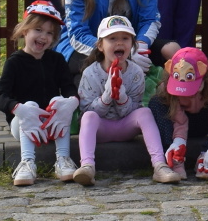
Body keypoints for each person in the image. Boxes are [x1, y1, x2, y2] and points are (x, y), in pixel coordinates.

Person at [73, 14, 176, 185]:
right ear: (100, 45)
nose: (119, 43)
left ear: (132, 45)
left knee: (144, 112)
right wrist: (106, 97)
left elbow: (133, 109)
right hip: (102, 128)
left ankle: (159, 165)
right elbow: (87, 111)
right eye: (112, 38)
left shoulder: (136, 72)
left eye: (125, 38)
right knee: (88, 117)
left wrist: (121, 98)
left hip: (125, 126)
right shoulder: (90, 73)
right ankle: (87, 166)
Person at [0, 0, 78, 187]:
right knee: (30, 106)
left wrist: (72, 101)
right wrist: (17, 108)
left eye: (49, 33)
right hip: (23, 124)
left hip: (51, 124)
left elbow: (69, 87)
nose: (43, 37)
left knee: (59, 102)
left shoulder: (57, 60)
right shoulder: (14, 62)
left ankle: (63, 159)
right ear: (25, 31)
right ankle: (27, 162)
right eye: (38, 30)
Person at [152, 47, 208, 181]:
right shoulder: (167, 84)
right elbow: (178, 117)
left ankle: (206, 158)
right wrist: (178, 142)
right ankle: (175, 158)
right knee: (156, 102)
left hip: (203, 120)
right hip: (177, 125)